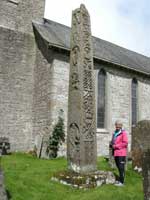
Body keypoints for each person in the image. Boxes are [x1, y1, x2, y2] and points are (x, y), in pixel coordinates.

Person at [110, 120, 128, 186]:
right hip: (116, 153)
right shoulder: (114, 133)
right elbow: (113, 141)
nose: (117, 128)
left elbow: (125, 143)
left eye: (118, 127)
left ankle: (122, 182)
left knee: (121, 167)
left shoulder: (123, 133)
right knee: (118, 167)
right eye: (116, 126)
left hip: (121, 153)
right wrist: (111, 144)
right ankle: (120, 180)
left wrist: (116, 146)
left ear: (121, 126)